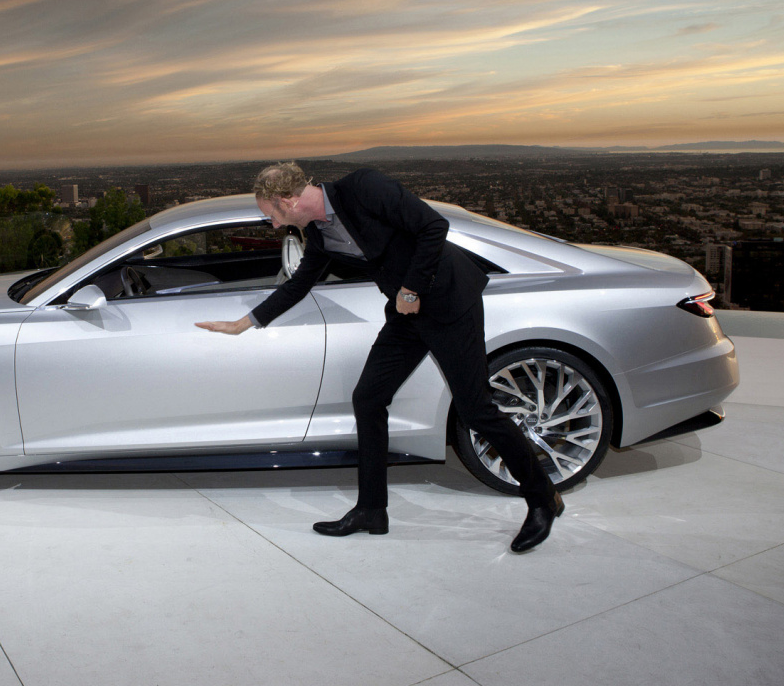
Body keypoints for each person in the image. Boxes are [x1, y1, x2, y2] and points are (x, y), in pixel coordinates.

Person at [196, 162, 563, 553]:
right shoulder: (319, 233)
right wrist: (243, 324)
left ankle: (543, 498)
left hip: (450, 302)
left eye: (271, 215)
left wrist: (410, 289)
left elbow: (433, 227)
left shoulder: (363, 188)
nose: (272, 225)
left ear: (289, 200)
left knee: (475, 411)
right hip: (407, 314)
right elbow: (301, 283)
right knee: (368, 398)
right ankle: (372, 509)